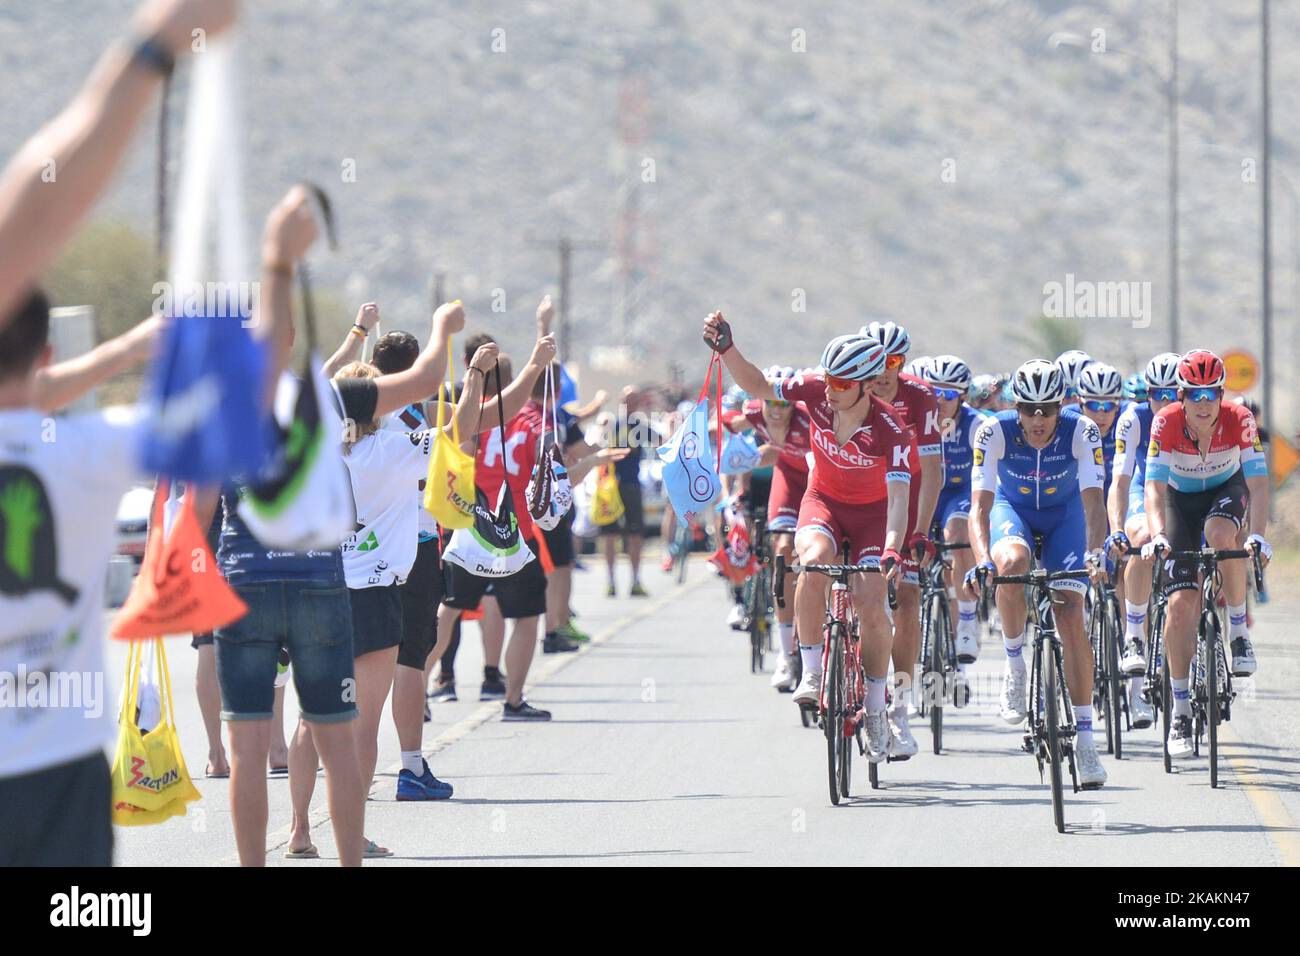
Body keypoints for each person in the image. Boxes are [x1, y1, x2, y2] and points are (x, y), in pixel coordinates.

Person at [0, 178, 302, 866]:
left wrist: (121, 353)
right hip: (56, 764)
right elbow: (246, 403)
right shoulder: (86, 452)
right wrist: (276, 266)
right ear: (45, 353)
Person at [703, 313, 910, 762]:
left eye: (841, 385)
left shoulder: (891, 429)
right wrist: (728, 351)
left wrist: (893, 547)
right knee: (811, 563)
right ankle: (812, 671)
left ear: (867, 385)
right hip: (824, 501)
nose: (830, 391)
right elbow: (758, 386)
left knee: (872, 603)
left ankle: (876, 711)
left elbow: (898, 498)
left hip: (874, 516)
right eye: (829, 382)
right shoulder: (815, 389)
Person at [963, 359, 1110, 789]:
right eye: (1030, 409)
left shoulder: (1081, 430)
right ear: (1017, 406)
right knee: (1010, 565)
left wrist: (1096, 551)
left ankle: (1085, 741)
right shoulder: (994, 431)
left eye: (1048, 408)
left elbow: (1094, 504)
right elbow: (980, 508)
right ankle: (1014, 664)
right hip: (1015, 512)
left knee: (1070, 614)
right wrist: (982, 560)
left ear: (1061, 405)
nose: (1039, 419)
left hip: (1066, 518)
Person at [1141, 350, 1271, 758]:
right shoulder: (1165, 423)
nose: (1202, 403)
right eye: (1193, 394)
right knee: (1180, 605)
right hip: (1180, 502)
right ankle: (1179, 711)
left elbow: (1260, 485)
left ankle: (1238, 633)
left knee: (1221, 535)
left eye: (1210, 393)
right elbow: (1154, 487)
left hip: (1224, 492)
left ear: (1220, 394)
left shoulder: (1240, 420)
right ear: (1180, 396)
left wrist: (1261, 537)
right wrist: (1159, 534)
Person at [860, 320, 943, 757]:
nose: (883, 371)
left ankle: (901, 708)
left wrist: (921, 532)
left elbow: (931, 471)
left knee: (907, 598)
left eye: (892, 361)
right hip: (857, 496)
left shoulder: (921, 398)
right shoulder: (848, 393)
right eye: (875, 361)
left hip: (903, 496)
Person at [721, 366, 813, 692]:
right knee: (784, 552)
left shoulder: (810, 414)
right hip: (788, 482)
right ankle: (787, 655)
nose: (775, 411)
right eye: (769, 403)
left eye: (783, 404)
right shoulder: (757, 412)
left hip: (823, 485)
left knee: (825, 558)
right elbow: (727, 424)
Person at [1106, 352, 1180, 730]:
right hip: (1141, 490)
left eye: (1172, 393)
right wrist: (1117, 528)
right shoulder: (1134, 417)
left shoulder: (1196, 417)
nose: (1163, 402)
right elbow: (1119, 481)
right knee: (1143, 538)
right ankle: (1135, 636)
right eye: (1156, 393)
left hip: (1182, 495)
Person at [920, 355, 985, 667]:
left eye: (947, 395)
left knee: (956, 535)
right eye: (934, 393)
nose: (939, 401)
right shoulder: (917, 418)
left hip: (959, 494)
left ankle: (968, 624)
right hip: (925, 493)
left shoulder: (977, 424)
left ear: (962, 396)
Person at [601, 387, 653, 597]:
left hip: (627, 485)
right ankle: (613, 581)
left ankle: (634, 580)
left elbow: (661, 441)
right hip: (614, 486)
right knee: (612, 535)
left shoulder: (634, 425)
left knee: (632, 535)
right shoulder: (616, 424)